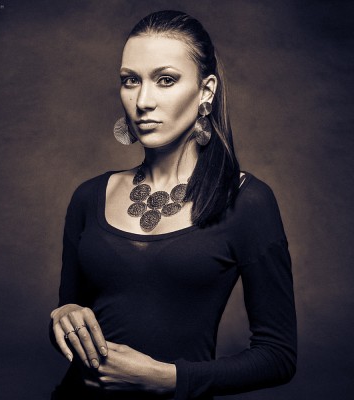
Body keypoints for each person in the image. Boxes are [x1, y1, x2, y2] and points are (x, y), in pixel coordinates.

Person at [49, 10, 297, 400]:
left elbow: (278, 356)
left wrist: (166, 378)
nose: (142, 101)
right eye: (131, 80)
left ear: (206, 91)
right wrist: (63, 317)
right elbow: (70, 313)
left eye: (165, 80)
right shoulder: (89, 196)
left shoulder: (247, 201)